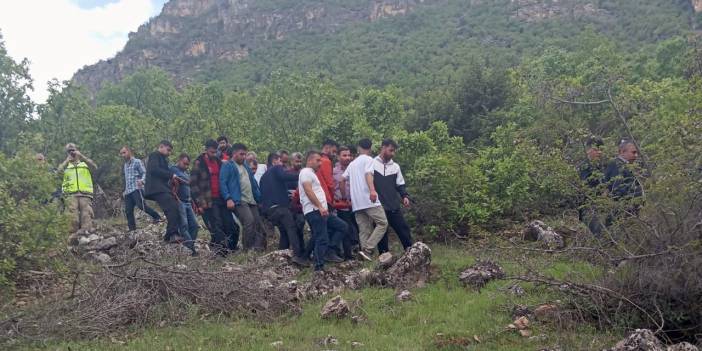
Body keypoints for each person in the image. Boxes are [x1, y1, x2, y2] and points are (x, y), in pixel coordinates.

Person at [299, 151, 347, 271]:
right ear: (309, 160)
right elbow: (308, 190)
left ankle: (329, 251)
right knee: (322, 238)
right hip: (314, 210)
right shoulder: (305, 172)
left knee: (342, 226)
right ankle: (318, 267)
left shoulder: (312, 173)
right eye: (318, 160)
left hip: (321, 210)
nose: (320, 163)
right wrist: (320, 206)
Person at [341, 139, 388, 261]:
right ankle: (368, 249)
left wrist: (345, 197)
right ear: (370, 148)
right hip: (368, 199)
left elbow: (341, 180)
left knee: (364, 229)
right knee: (383, 223)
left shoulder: (352, 164)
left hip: (356, 202)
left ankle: (364, 257)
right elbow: (368, 174)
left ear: (358, 148)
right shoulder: (369, 160)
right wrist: (372, 190)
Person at [260, 153, 309, 266]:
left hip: (269, 211)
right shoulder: (276, 168)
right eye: (281, 162)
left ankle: (281, 256)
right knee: (291, 228)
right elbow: (285, 176)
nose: (283, 166)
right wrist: (303, 174)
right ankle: (298, 256)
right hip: (280, 207)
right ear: (274, 161)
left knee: (284, 231)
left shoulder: (263, 177)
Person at [191, 139, 238, 256]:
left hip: (221, 198)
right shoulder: (199, 162)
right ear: (206, 150)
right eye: (211, 152)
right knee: (217, 226)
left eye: (215, 152)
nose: (213, 154)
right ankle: (221, 252)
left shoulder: (218, 161)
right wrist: (199, 203)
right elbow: (192, 183)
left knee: (230, 224)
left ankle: (231, 249)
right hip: (208, 200)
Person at [220, 143, 264, 251]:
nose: (244, 157)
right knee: (249, 221)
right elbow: (222, 182)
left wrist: (259, 198)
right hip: (239, 200)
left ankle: (258, 248)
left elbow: (253, 183)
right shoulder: (228, 165)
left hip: (251, 199)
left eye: (245, 154)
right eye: (241, 154)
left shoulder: (245, 166)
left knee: (258, 223)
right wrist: (228, 198)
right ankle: (247, 249)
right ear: (234, 154)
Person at [373, 139, 413, 253]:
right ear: (383, 148)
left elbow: (400, 184)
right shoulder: (372, 164)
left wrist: (404, 196)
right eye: (391, 150)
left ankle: (411, 252)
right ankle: (383, 257)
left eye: (394, 151)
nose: (392, 154)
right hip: (378, 205)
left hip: (393, 205)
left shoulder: (395, 166)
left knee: (403, 228)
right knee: (382, 232)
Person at [144, 140, 182, 244]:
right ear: (161, 147)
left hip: (162, 188)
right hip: (157, 188)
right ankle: (172, 234)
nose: (169, 153)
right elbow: (154, 170)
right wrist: (171, 175)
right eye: (168, 150)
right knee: (173, 208)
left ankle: (169, 236)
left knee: (173, 208)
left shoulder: (163, 159)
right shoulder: (154, 155)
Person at [120, 146, 162, 231]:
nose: (122, 155)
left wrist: (142, 181)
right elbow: (127, 179)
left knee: (141, 205)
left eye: (124, 153)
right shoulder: (125, 165)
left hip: (136, 188)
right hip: (128, 191)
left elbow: (144, 173)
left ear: (129, 152)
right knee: (128, 211)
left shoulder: (137, 162)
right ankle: (132, 230)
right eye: (121, 153)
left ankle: (157, 217)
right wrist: (124, 191)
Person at [59, 143, 97, 234]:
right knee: (72, 217)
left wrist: (82, 157)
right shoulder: (66, 165)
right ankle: (72, 235)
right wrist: (66, 161)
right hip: (70, 194)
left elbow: (94, 167)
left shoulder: (84, 163)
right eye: (69, 151)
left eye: (73, 150)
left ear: (77, 150)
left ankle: (87, 234)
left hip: (85, 193)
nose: (72, 153)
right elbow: (57, 172)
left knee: (86, 214)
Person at [333, 146, 360, 259]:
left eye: (349, 155)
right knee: (346, 229)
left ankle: (359, 252)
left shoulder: (354, 168)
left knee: (357, 228)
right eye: (344, 155)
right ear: (338, 156)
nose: (347, 157)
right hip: (341, 205)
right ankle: (347, 255)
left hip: (356, 204)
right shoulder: (333, 171)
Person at [170, 153, 198, 256]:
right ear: (179, 160)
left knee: (194, 225)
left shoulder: (186, 173)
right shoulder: (173, 169)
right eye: (185, 163)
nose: (186, 166)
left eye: (187, 164)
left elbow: (190, 184)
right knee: (184, 226)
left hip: (188, 202)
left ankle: (190, 246)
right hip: (179, 201)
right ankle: (192, 250)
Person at [577, 136, 606, 236]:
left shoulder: (602, 166)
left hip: (603, 207)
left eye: (601, 150)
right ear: (588, 150)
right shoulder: (584, 167)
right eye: (596, 150)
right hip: (589, 209)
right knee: (600, 234)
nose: (599, 153)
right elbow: (585, 189)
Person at [317, 139, 338, 205]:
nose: (335, 154)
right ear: (327, 148)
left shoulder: (315, 160)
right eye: (333, 151)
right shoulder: (325, 161)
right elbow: (330, 184)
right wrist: (332, 199)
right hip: (325, 199)